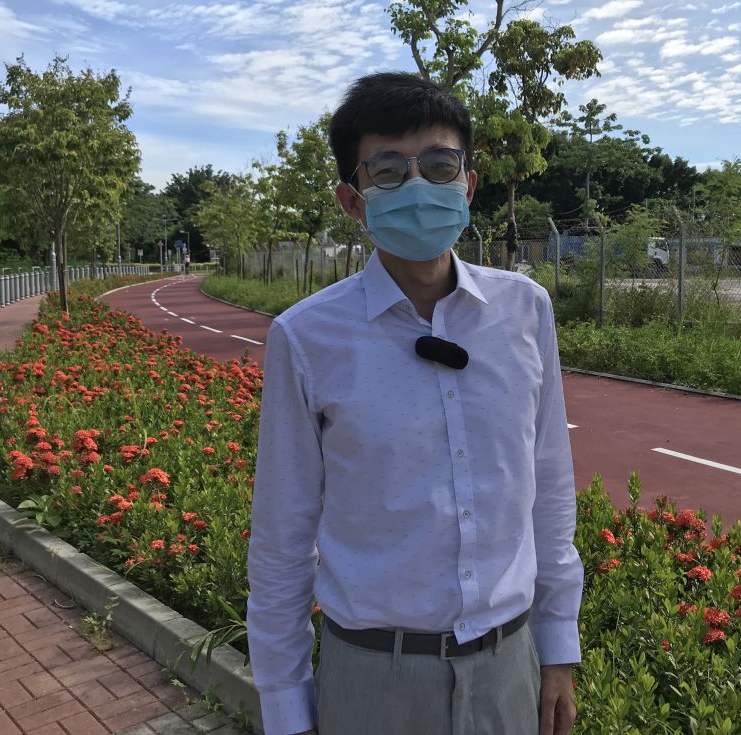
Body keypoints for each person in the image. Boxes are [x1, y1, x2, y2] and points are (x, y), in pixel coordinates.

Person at [247, 72, 583, 735]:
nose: (420, 186)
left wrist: (558, 645)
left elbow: (548, 489)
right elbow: (282, 538)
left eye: (438, 165)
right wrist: (286, 707)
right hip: (373, 677)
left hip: (507, 668)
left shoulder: (525, 310)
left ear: (469, 184)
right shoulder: (306, 337)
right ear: (353, 200)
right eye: (390, 172)